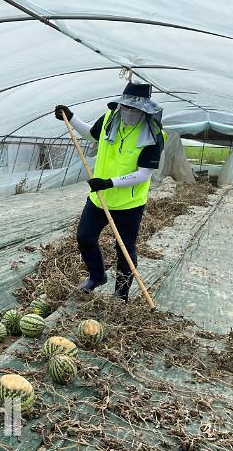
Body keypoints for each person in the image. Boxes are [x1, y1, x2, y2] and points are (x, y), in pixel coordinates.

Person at [54, 82, 165, 302]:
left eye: (134, 109)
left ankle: (120, 294)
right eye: (125, 107)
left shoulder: (154, 135)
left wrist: (109, 182)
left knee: (124, 249)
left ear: (144, 110)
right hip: (99, 198)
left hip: (128, 204)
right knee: (85, 237)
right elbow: (90, 134)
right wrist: (71, 116)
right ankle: (97, 276)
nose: (128, 112)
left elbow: (143, 174)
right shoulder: (109, 118)